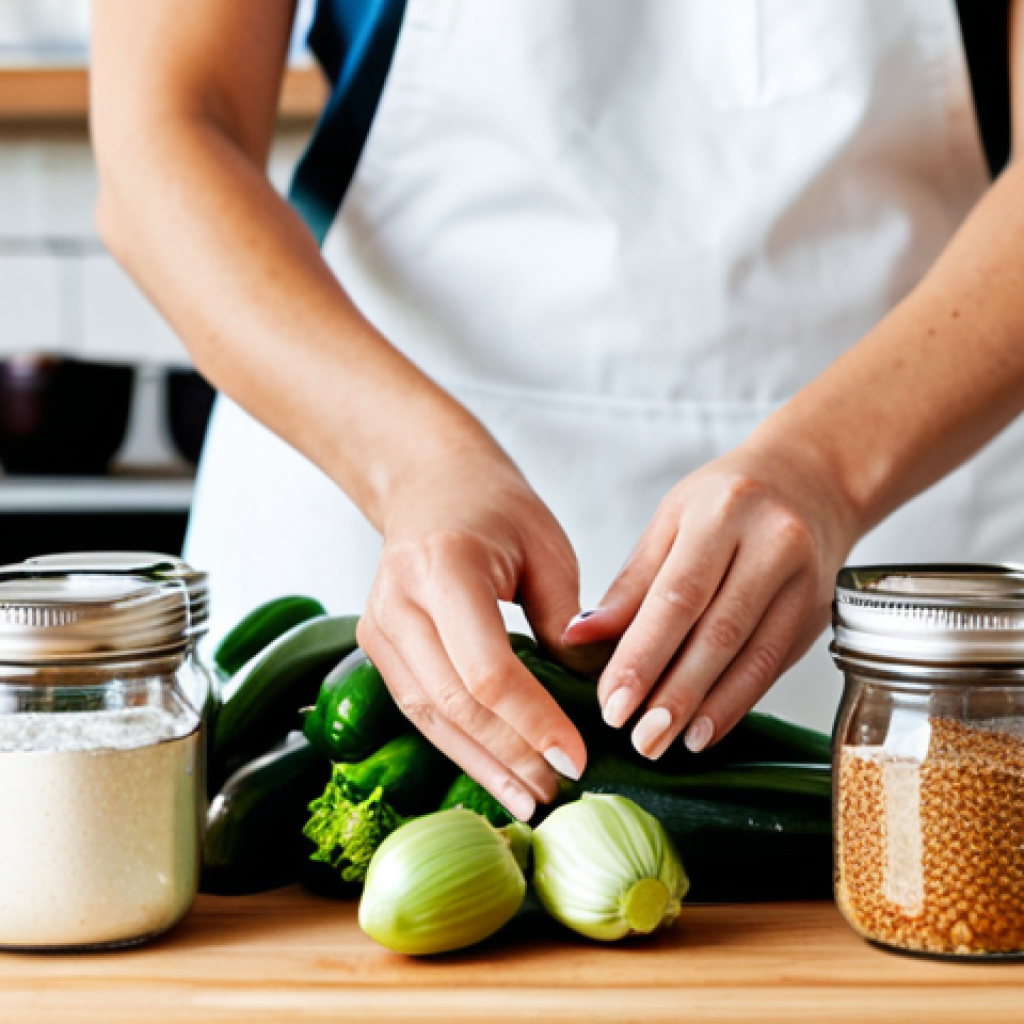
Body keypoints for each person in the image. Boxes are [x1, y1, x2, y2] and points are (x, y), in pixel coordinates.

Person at [92, 0, 1024, 821]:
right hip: (371, 487)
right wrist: (414, 462)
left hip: (905, 526)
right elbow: (162, 134)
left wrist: (828, 467)